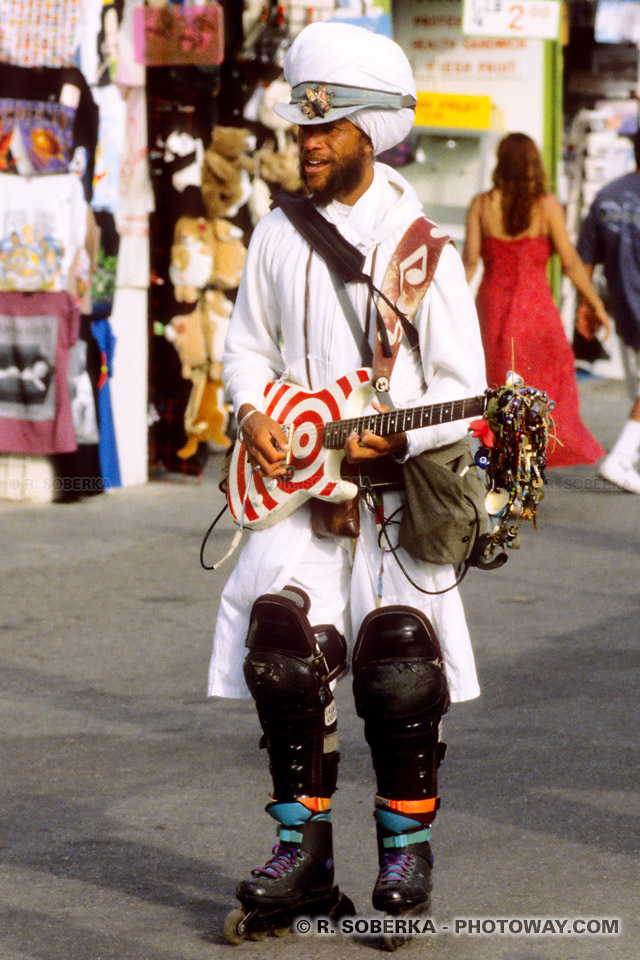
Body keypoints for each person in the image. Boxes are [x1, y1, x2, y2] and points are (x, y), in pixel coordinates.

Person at [209, 21, 487, 934]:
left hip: (392, 507)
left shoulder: (420, 250)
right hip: (296, 493)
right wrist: (252, 417)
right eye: (301, 130)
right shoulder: (278, 236)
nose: (308, 144)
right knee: (285, 652)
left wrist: (394, 446)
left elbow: (462, 394)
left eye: (324, 130)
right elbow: (245, 349)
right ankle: (304, 853)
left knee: (401, 663)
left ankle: (406, 856)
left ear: (370, 130)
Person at [462, 132, 610, 469]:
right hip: (536, 310)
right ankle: (526, 470)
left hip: (493, 309)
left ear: (501, 162)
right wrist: (596, 304)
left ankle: (500, 469)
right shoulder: (546, 206)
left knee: (498, 392)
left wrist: (442, 309)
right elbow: (571, 262)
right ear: (533, 163)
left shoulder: (482, 204)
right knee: (541, 389)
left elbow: (469, 263)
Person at [576, 130, 640, 494]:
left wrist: (585, 306)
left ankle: (624, 457)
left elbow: (585, 259)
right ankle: (620, 458)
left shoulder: (608, 196)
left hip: (625, 312)